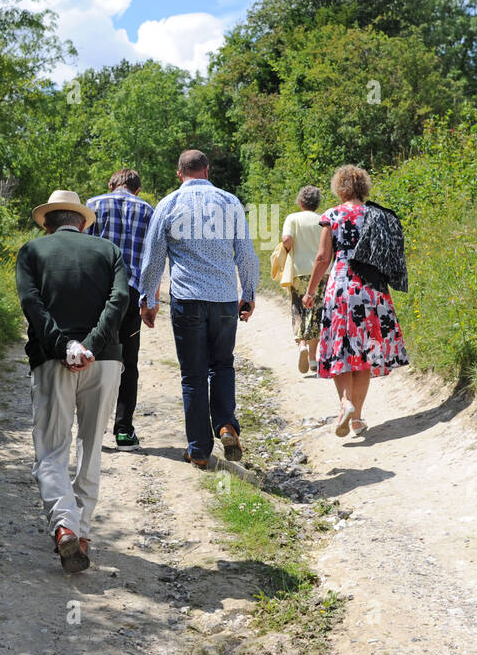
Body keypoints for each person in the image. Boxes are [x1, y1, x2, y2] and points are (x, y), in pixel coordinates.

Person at [16, 189, 129, 573]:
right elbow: (119, 301)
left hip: (51, 361)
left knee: (51, 450)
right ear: (81, 222)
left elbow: (33, 306)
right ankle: (81, 532)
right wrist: (92, 346)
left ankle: (64, 525)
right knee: (91, 446)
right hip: (105, 361)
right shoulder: (109, 252)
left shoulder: (31, 252)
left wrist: (65, 345)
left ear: (47, 223)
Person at [139, 150, 260, 467]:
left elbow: (153, 260)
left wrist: (149, 300)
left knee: (193, 376)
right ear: (207, 171)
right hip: (222, 299)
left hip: (188, 300)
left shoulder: (168, 204)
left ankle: (199, 451)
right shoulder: (229, 202)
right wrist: (248, 293)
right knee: (222, 365)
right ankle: (225, 424)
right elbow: (246, 253)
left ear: (179, 174)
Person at [302, 165, 409, 437]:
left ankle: (345, 403)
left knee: (340, 348)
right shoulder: (377, 215)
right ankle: (358, 418)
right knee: (364, 353)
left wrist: (311, 291)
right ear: (364, 187)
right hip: (372, 290)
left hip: (341, 286)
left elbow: (323, 258)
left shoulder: (333, 215)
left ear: (340, 188)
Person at [86, 168, 155, 450]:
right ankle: (124, 431)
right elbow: (152, 259)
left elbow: (83, 250)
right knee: (129, 362)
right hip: (131, 293)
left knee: (94, 356)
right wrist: (150, 301)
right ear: (137, 189)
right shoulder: (148, 210)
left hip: (97, 294)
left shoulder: (92, 205)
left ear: (111, 184)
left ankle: (92, 430)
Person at [282, 185, 324, 374]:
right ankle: (313, 359)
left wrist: (289, 251)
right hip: (321, 272)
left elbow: (286, 240)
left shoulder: (292, 218)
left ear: (300, 202)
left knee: (298, 308)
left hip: (299, 271)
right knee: (316, 311)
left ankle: (302, 346)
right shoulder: (323, 220)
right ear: (317, 203)